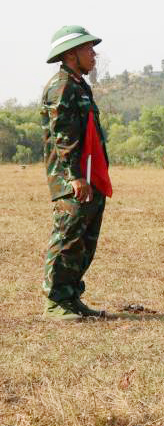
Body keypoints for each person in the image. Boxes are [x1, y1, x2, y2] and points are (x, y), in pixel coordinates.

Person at [40, 25, 109, 321]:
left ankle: (71, 298)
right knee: (67, 239)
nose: (94, 54)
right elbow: (64, 136)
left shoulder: (79, 84)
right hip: (73, 180)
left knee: (84, 242)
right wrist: (75, 176)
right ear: (71, 53)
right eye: (88, 49)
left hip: (88, 178)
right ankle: (55, 303)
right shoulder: (62, 86)